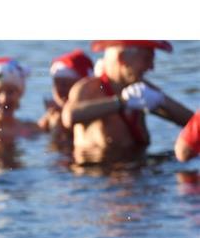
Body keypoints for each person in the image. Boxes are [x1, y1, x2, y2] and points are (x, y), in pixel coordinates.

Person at [62, 40, 193, 165]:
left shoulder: (141, 88)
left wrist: (161, 100)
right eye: (147, 59)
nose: (151, 67)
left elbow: (193, 124)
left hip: (139, 165)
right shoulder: (89, 89)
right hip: (100, 172)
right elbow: (69, 117)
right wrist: (122, 102)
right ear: (122, 59)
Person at [38, 49, 95, 146]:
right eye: (57, 84)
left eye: (67, 84)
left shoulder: (94, 113)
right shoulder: (50, 116)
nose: (60, 90)